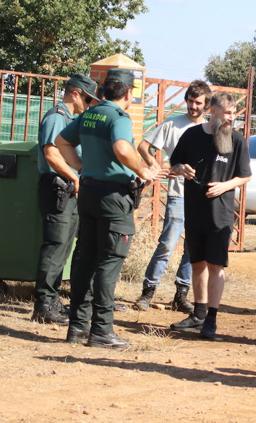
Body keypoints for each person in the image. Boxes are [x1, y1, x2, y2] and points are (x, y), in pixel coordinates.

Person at [54, 69, 164, 348]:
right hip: (113, 197)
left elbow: (61, 143)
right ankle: (102, 330)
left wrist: (81, 167)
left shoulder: (89, 114)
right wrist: (144, 170)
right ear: (129, 94)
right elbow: (122, 148)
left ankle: (78, 327)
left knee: (85, 258)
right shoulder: (118, 117)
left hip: (88, 192)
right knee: (109, 262)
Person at [168, 93, 251, 339]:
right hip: (194, 209)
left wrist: (225, 186)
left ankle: (211, 320)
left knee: (216, 265)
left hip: (221, 213)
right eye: (226, 112)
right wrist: (180, 168)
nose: (230, 117)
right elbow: (174, 164)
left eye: (233, 113)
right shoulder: (192, 135)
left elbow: (245, 175)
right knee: (197, 263)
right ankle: (198, 314)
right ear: (212, 111)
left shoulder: (236, 140)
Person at [134, 80, 212, 313]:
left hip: (200, 196)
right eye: (190, 101)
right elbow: (143, 145)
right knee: (167, 243)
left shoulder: (209, 129)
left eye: (198, 103)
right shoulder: (172, 125)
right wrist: (155, 166)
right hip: (178, 195)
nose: (193, 106)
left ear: (206, 105)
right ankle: (148, 291)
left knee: (193, 247)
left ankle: (181, 294)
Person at [31, 74, 99, 324]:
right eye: (88, 98)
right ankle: (43, 305)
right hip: (57, 187)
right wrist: (76, 176)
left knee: (64, 247)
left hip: (69, 187)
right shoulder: (57, 117)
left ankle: (52, 300)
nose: (90, 104)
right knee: (55, 246)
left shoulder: (71, 119)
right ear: (75, 93)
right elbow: (51, 153)